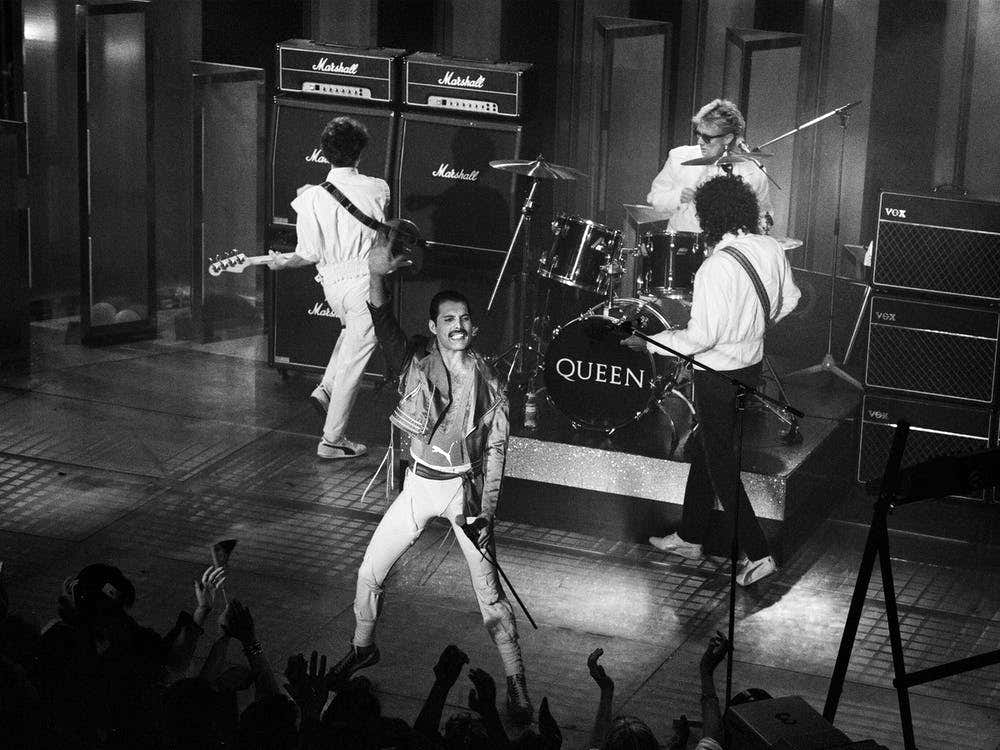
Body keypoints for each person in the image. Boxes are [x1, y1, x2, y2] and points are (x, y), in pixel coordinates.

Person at [325, 241, 534, 723]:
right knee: (368, 573)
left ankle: (517, 680)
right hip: (418, 488)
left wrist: (485, 513)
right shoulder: (413, 363)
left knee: (491, 601)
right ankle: (362, 647)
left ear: (471, 326)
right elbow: (381, 318)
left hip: (464, 494)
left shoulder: (491, 385)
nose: (457, 326)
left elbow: (498, 453)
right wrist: (376, 273)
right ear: (433, 327)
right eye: (448, 320)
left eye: (464, 319)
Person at [627, 173, 800, 587]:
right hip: (750, 369)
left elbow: (700, 339)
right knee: (707, 448)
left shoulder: (714, 267)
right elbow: (790, 299)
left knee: (721, 464)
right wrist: (753, 326)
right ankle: (691, 535)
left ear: (707, 216)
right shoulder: (770, 248)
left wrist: (649, 342)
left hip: (717, 375)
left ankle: (760, 554)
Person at [266, 116, 390, 460]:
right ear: (360, 152)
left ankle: (325, 390)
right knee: (355, 360)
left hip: (331, 286)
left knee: (349, 333)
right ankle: (332, 441)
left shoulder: (309, 200)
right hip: (364, 282)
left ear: (323, 153)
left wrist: (280, 262)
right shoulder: (378, 187)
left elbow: (307, 254)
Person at [647, 98, 773, 234]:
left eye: (707, 138)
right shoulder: (679, 157)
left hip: (727, 248)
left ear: (728, 138)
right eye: (698, 134)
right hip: (684, 243)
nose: (700, 141)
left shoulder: (753, 171)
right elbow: (654, 198)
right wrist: (678, 197)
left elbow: (764, 215)